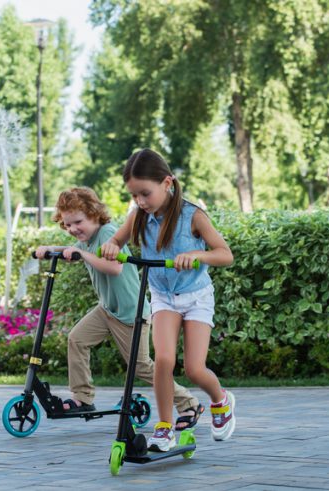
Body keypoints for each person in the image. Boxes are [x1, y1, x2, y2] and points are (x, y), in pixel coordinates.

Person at [34, 187, 203, 431]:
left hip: (130, 314)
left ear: (94, 214)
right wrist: (49, 248)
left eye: (78, 222)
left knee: (142, 366)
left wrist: (80, 253)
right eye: (67, 225)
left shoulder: (108, 234)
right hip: (107, 310)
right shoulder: (88, 239)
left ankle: (188, 402)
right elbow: (75, 248)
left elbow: (115, 268)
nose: (73, 229)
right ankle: (82, 397)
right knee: (77, 339)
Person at [100, 149, 236, 452]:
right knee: (162, 360)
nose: (140, 202)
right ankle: (164, 427)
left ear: (167, 183)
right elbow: (116, 240)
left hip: (196, 296)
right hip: (163, 296)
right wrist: (110, 245)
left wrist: (198, 255)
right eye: (135, 196)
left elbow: (224, 254)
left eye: (145, 194)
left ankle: (221, 400)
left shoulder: (193, 216)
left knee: (194, 369)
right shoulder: (138, 216)